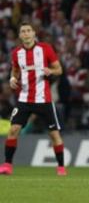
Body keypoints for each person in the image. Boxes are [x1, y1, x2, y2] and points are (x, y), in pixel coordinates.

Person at [0, 22, 66, 176]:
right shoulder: (17, 53)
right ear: (20, 35)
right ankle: (7, 165)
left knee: (54, 135)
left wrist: (51, 70)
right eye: (23, 31)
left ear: (34, 34)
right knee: (13, 130)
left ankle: (61, 167)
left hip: (44, 99)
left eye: (29, 30)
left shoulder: (45, 49)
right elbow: (15, 70)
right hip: (24, 99)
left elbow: (59, 69)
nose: (26, 33)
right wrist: (12, 78)